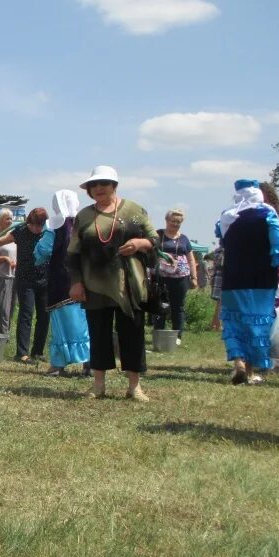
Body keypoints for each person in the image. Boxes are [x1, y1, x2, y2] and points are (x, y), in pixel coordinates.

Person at [67, 165, 159, 401]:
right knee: (98, 333)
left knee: (132, 333)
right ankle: (98, 385)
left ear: (114, 186)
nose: (98, 188)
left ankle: (134, 386)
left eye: (104, 184)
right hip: (94, 284)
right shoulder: (84, 216)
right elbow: (73, 253)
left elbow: (154, 239)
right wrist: (76, 282)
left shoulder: (133, 210)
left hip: (129, 284)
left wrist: (139, 243)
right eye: (93, 185)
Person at [215, 179, 279, 384]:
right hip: (262, 279)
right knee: (256, 323)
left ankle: (239, 364)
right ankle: (249, 372)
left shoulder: (227, 217)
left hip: (233, 279)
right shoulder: (267, 214)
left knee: (234, 321)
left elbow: (224, 243)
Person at [34, 190, 90, 376]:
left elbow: (42, 251)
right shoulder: (85, 222)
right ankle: (90, 364)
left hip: (61, 280)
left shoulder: (53, 224)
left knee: (60, 322)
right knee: (86, 323)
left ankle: (58, 365)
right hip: (85, 279)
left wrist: (39, 257)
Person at [0, 208, 48, 363]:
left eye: (39, 226)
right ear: (28, 222)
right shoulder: (20, 230)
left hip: (44, 279)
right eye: (33, 225)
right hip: (25, 280)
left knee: (44, 315)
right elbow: (0, 241)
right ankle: (22, 353)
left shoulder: (47, 232)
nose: (36, 229)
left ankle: (38, 351)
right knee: (26, 314)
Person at [152, 209, 197, 345]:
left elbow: (191, 259)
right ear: (167, 220)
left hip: (180, 277)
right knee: (159, 304)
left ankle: (177, 335)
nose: (175, 224)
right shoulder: (158, 234)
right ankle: (158, 332)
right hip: (160, 276)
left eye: (178, 222)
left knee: (178, 306)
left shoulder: (183, 239)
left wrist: (194, 277)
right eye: (173, 221)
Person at [0, 208, 17, 335]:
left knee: (12, 308)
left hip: (15, 276)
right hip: (3, 276)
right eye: (7, 218)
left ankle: (5, 334)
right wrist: (5, 259)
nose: (10, 221)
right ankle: (2, 337)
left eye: (11, 218)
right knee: (4, 309)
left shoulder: (12, 236)